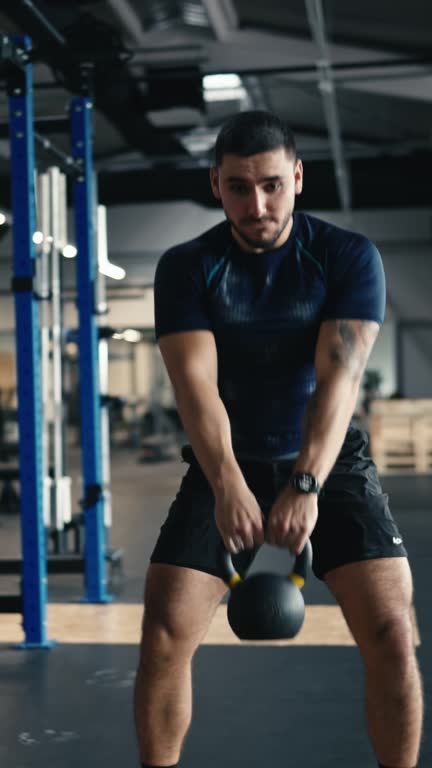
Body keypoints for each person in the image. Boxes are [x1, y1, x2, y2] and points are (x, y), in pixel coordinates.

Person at [134, 110, 423, 768]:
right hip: (224, 460)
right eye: (239, 187)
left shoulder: (346, 256)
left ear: (296, 176)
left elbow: (337, 383)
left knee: (392, 631)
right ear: (216, 184)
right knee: (163, 633)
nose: (257, 205)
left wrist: (306, 483)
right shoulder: (188, 266)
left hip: (327, 459)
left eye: (270, 185)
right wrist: (227, 483)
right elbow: (195, 388)